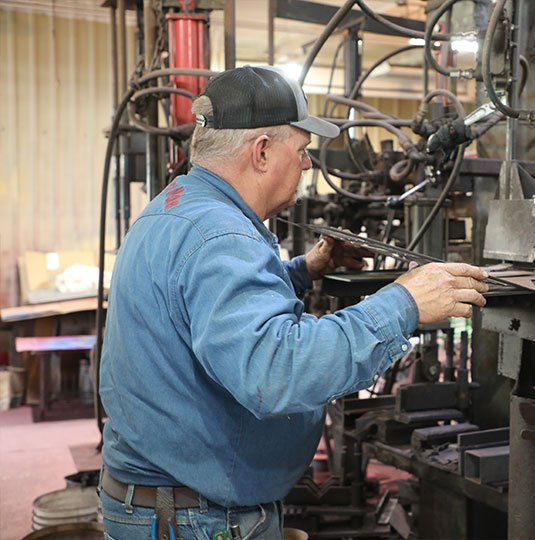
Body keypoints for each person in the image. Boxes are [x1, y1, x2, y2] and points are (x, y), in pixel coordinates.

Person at [98, 65, 489, 540]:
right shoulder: (221, 236)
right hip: (195, 517)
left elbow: (195, 309)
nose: (307, 165)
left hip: (162, 500)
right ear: (262, 152)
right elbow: (277, 372)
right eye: (302, 150)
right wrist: (404, 302)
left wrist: (303, 271)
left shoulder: (178, 207)